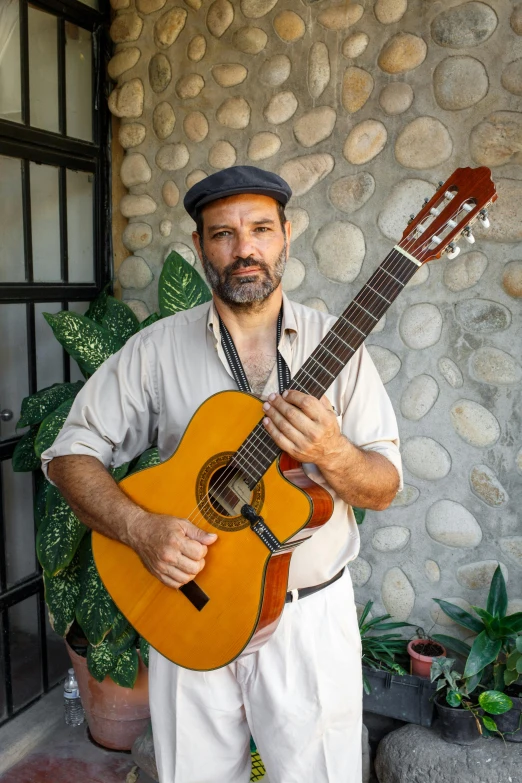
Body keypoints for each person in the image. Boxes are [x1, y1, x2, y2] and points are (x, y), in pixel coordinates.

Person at [42, 166, 402, 783]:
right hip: (189, 605)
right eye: (223, 235)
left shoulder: (338, 346)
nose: (244, 250)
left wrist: (334, 452)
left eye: (260, 229)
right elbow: (68, 454)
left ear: (286, 235)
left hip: (306, 618)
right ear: (199, 246)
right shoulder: (156, 350)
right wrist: (139, 528)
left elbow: (384, 485)